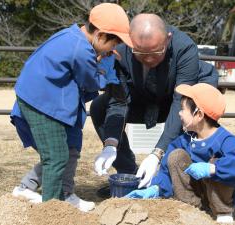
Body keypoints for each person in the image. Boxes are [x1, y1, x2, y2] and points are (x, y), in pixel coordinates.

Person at [10, 3, 132, 212]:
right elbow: (91, 83)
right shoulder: (82, 50)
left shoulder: (72, 35)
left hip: (46, 98)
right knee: (56, 157)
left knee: (66, 150)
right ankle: (52, 210)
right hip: (41, 103)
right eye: (114, 42)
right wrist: (105, 71)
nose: (115, 48)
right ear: (101, 35)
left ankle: (58, 195)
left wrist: (100, 59)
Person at [90, 13, 219, 195]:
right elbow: (119, 102)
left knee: (195, 113)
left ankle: (182, 181)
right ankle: (130, 175)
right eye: (140, 53)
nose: (149, 59)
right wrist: (111, 143)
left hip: (178, 100)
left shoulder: (184, 48)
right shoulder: (119, 49)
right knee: (99, 107)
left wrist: (157, 154)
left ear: (168, 39)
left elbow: (180, 101)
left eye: (156, 52)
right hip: (142, 97)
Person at [126, 83, 235, 223]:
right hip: (200, 194)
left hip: (225, 198)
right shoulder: (185, 140)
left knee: (216, 162)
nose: (179, 113)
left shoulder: (226, 140)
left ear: (198, 115)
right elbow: (167, 169)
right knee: (176, 156)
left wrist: (212, 169)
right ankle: (191, 207)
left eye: (182, 109)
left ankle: (223, 212)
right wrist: (157, 188)